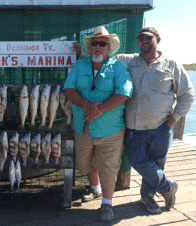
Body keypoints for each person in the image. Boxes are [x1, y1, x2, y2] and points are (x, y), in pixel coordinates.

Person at [74, 27, 194, 214]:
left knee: (155, 164)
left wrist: (174, 118)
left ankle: (148, 198)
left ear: (158, 40)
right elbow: (101, 57)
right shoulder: (128, 61)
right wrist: (81, 53)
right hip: (134, 128)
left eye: (148, 38)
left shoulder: (172, 64)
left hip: (161, 126)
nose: (143, 41)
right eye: (140, 38)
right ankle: (168, 187)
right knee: (137, 160)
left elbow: (187, 94)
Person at [63, 26, 133, 222]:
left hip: (111, 130)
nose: (98, 47)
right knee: (84, 162)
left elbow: (125, 92)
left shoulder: (118, 67)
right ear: (90, 46)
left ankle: (107, 203)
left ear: (108, 47)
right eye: (94, 43)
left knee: (109, 166)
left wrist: (99, 109)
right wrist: (87, 106)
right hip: (83, 127)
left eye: (102, 43)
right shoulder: (80, 65)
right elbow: (68, 88)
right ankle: (94, 188)